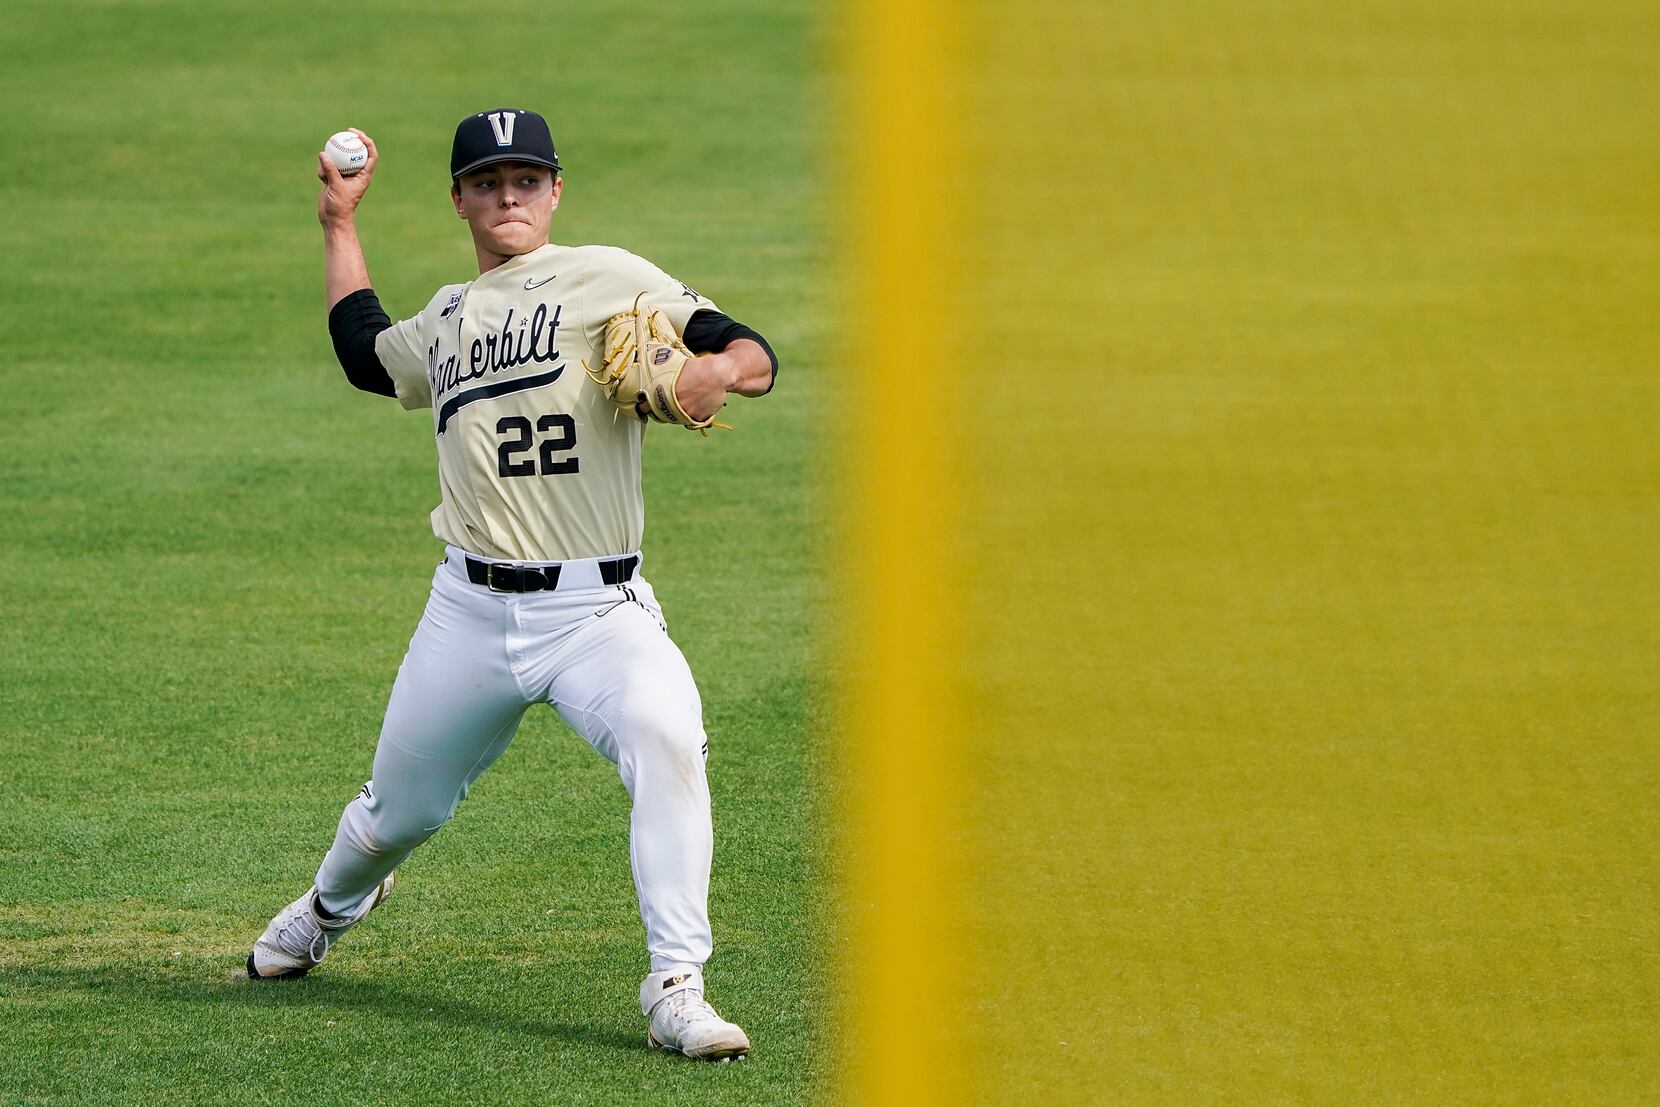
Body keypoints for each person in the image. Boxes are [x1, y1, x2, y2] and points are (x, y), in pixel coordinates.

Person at [244, 108, 777, 1064]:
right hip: (470, 610)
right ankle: (328, 907)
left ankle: (677, 986)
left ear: (555, 189)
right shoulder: (446, 315)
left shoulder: (611, 276)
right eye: (488, 183)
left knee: (666, 737)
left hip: (597, 611)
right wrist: (339, 224)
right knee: (397, 815)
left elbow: (747, 345)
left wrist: (717, 372)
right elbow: (364, 352)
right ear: (460, 200)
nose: (509, 197)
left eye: (527, 179)